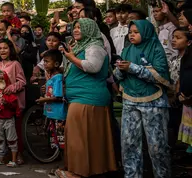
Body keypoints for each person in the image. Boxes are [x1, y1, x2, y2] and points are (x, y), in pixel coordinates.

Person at [56, 18, 117, 178]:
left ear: (89, 29)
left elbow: (93, 67)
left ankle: (78, 172)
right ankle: (91, 170)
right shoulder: (81, 47)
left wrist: (72, 58)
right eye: (74, 27)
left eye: (80, 28)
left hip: (88, 98)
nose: (75, 30)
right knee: (89, 137)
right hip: (83, 98)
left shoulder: (95, 46)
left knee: (79, 137)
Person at [114, 20, 171, 178]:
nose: (132, 35)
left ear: (145, 32)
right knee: (129, 144)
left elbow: (160, 76)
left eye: (136, 32)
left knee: (157, 147)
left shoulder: (156, 49)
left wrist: (132, 67)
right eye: (130, 32)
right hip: (130, 101)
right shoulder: (126, 50)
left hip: (154, 102)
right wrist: (120, 70)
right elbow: (117, 76)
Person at [0, 38, 26, 163]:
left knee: (16, 130)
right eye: (0, 48)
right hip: (1, 102)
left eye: (5, 48)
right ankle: (5, 155)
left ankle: (19, 155)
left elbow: (22, 82)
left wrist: (11, 88)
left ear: (10, 49)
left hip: (13, 102)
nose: (2, 50)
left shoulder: (15, 64)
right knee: (2, 132)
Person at [35, 50, 66, 153]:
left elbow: (58, 96)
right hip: (52, 112)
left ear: (56, 64)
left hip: (57, 113)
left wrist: (44, 99)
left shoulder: (57, 77)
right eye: (44, 61)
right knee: (54, 137)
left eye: (47, 62)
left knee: (60, 138)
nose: (45, 64)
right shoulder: (52, 77)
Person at [170, 29, 191, 147]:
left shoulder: (188, 60)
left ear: (188, 42)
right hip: (174, 97)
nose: (173, 40)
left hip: (185, 97)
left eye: (178, 38)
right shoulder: (173, 59)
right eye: (173, 37)